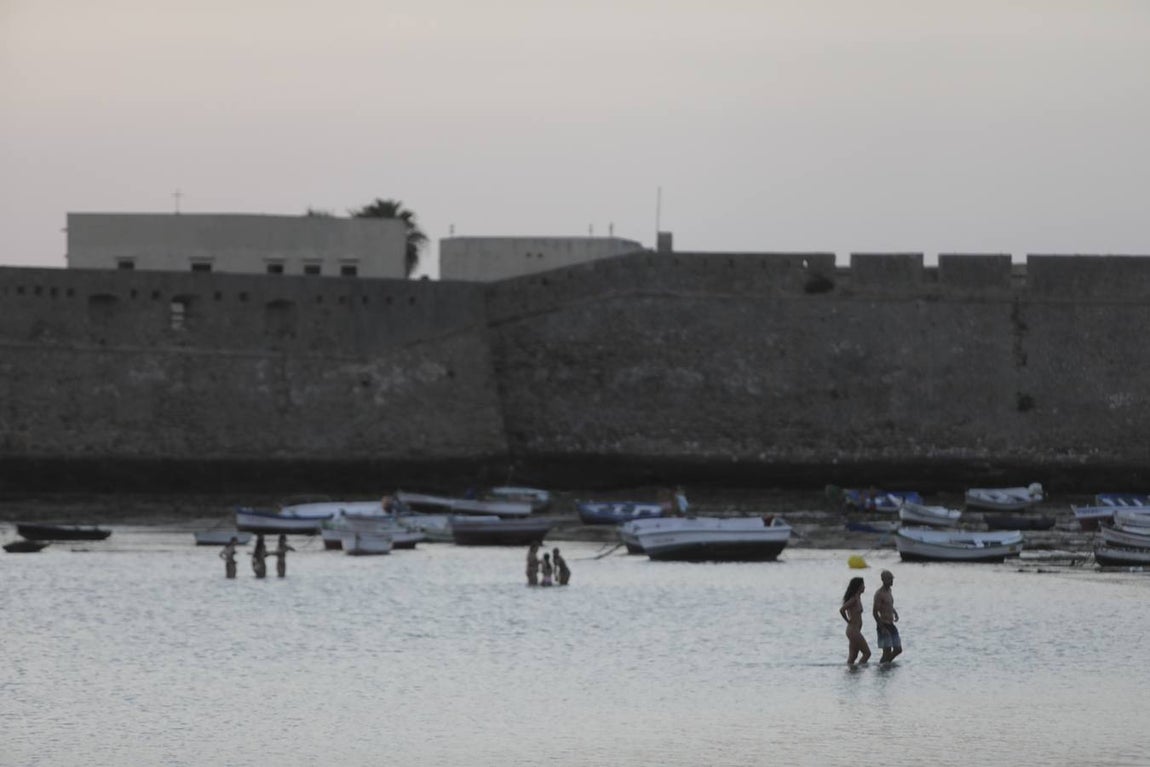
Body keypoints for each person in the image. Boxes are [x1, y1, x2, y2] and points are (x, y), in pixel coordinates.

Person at [839, 576, 871, 665]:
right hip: (853, 630)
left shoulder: (858, 598)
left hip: (855, 630)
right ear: (858, 586)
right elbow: (842, 609)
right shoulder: (853, 599)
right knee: (867, 653)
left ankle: (852, 675)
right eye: (863, 585)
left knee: (853, 656)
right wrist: (847, 620)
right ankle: (860, 670)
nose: (864, 587)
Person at [872, 569, 902, 664]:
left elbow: (889, 605)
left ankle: (886, 665)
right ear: (883, 580)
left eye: (892, 579)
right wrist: (882, 628)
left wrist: (895, 612)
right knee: (886, 651)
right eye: (889, 579)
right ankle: (883, 667)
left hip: (891, 623)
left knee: (898, 649)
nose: (891, 581)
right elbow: (875, 612)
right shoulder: (879, 594)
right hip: (883, 624)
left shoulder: (889, 590)